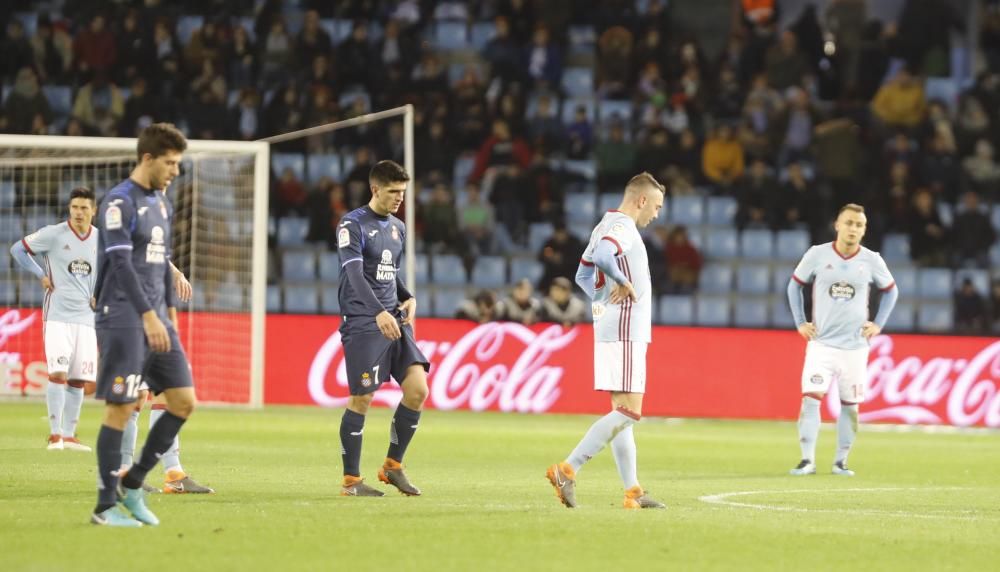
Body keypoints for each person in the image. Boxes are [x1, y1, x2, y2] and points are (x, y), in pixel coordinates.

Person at [90, 123, 196, 527]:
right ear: (147, 158)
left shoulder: (162, 203)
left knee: (184, 401)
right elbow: (121, 264)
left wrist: (168, 314)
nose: (175, 171)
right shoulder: (119, 203)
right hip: (123, 318)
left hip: (157, 320)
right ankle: (104, 506)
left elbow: (160, 265)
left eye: (178, 164)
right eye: (170, 163)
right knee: (122, 408)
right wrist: (148, 315)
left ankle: (133, 483)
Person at [546, 172, 667, 510]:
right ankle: (568, 469)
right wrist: (621, 282)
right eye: (655, 207)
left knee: (621, 413)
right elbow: (601, 258)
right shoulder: (622, 228)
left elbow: (582, 275)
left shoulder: (605, 224)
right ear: (641, 200)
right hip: (626, 328)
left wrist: (601, 299)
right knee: (631, 412)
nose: (656, 215)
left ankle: (633, 492)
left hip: (613, 327)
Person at [335, 160, 430, 497]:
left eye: (402, 193)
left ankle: (392, 466)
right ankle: (351, 481)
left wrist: (408, 297)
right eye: (393, 192)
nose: (399, 198)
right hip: (364, 320)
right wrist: (378, 313)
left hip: (394, 319)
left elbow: (389, 272)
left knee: (418, 390)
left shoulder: (398, 228)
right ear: (375, 189)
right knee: (362, 398)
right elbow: (356, 275)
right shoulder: (352, 224)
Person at [787, 204, 898, 477]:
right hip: (822, 344)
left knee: (851, 405)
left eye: (859, 225)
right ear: (837, 225)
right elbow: (794, 285)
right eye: (849, 223)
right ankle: (807, 460)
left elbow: (891, 291)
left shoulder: (871, 260)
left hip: (855, 348)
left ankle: (840, 462)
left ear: (864, 230)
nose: (853, 229)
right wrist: (800, 322)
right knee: (811, 400)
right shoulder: (817, 254)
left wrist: (878, 324)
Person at [10, 187, 98, 452]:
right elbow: (17, 249)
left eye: (84, 208)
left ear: (93, 210)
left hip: (86, 318)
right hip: (58, 315)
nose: (79, 213)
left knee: (78, 379)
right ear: (69, 209)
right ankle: (55, 435)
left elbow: (110, 270)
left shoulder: (101, 240)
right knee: (57, 373)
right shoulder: (54, 233)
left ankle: (69, 436)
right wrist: (40, 274)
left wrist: (100, 294)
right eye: (74, 208)